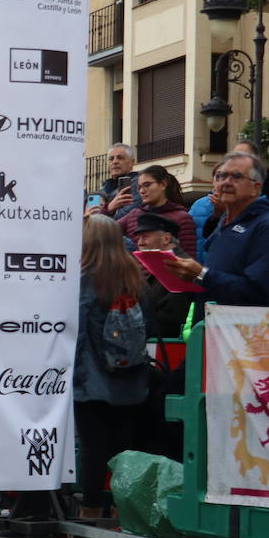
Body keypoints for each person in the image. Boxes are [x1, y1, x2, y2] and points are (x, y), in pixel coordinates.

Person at [73, 215, 151, 517]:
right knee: (124, 447)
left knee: (93, 446)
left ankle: (90, 510)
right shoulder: (134, 277)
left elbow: (77, 329)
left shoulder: (86, 278)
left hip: (92, 378)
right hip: (131, 376)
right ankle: (124, 510)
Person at [166, 152, 269, 311]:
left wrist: (202, 275)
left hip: (243, 330)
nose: (226, 182)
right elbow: (213, 284)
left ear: (256, 188)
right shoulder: (224, 222)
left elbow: (259, 293)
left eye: (237, 176)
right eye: (221, 176)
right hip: (210, 327)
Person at [132, 212, 194, 339]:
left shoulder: (179, 270)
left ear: (166, 238)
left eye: (145, 237)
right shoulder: (166, 267)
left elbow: (170, 322)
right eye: (139, 238)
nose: (140, 243)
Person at [118, 165, 197, 255]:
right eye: (139, 187)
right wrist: (109, 208)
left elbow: (189, 259)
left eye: (147, 185)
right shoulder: (134, 215)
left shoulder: (182, 218)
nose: (142, 191)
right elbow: (103, 231)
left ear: (163, 184)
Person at [99, 143, 140, 219]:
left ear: (132, 162)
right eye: (111, 159)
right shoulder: (102, 190)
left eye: (120, 158)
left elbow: (126, 216)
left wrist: (107, 209)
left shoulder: (139, 184)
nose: (115, 162)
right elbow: (91, 220)